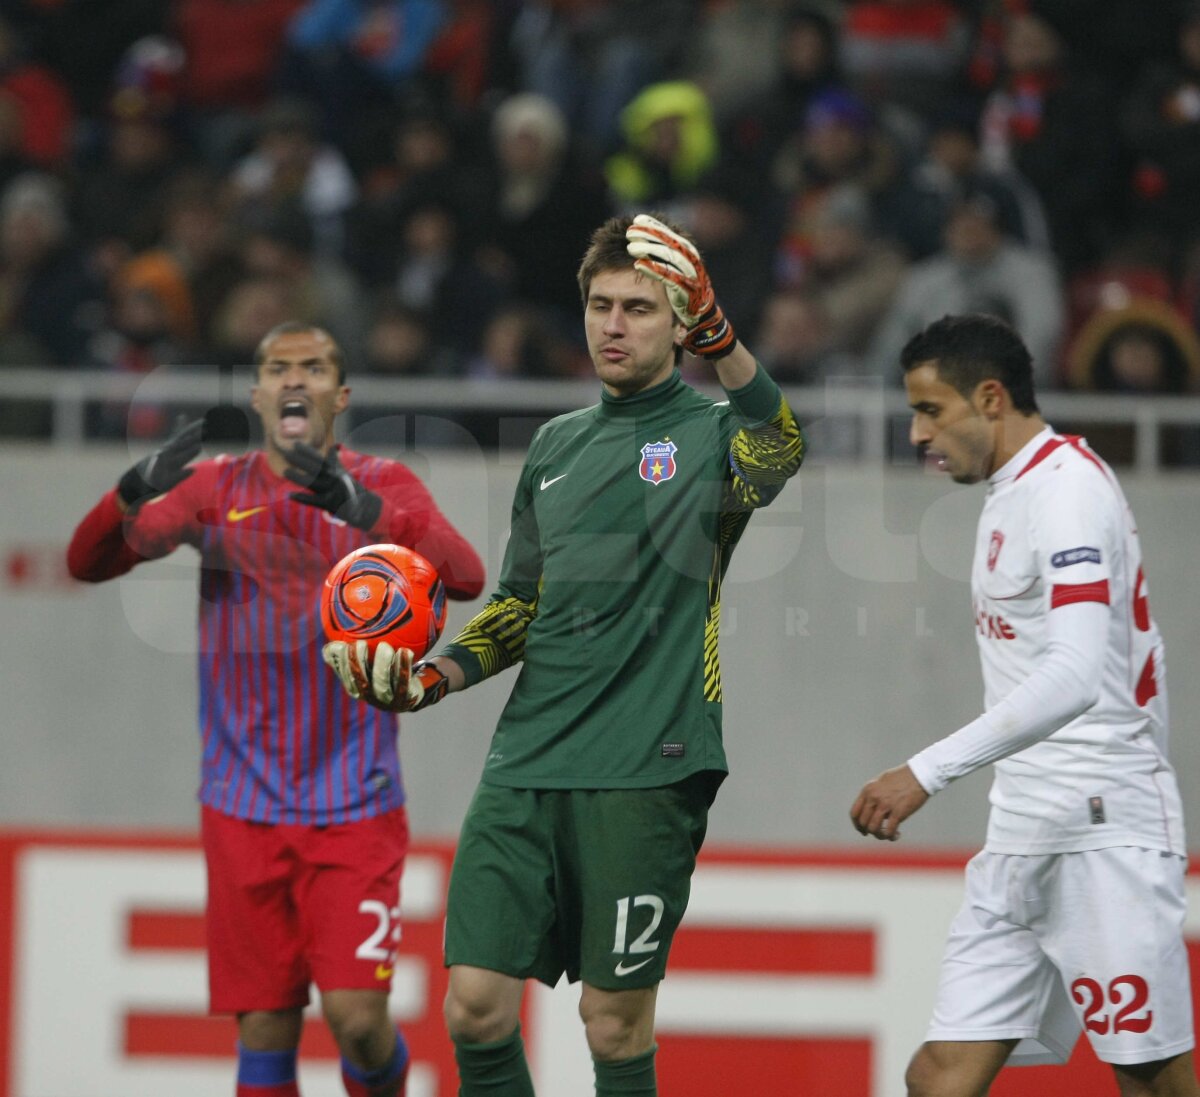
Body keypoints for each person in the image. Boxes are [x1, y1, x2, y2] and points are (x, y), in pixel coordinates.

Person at [323, 213, 805, 1095]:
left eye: (638, 308)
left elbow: (781, 447)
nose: (613, 325)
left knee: (613, 1023)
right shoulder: (555, 445)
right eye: (599, 305)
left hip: (648, 764)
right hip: (526, 760)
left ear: (680, 324)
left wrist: (724, 339)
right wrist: (432, 678)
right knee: (472, 1006)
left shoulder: (708, 433)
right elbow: (517, 605)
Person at [66, 322, 486, 1097]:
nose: (296, 379)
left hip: (354, 805)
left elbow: (466, 576)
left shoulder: (384, 482)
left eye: (315, 367)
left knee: (358, 1021)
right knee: (263, 1030)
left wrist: (368, 512)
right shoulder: (212, 490)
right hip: (241, 807)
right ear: (258, 394)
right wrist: (129, 491)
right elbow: (86, 562)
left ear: (340, 394)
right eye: (278, 368)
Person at [850, 313, 1198, 1097]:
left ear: (990, 397)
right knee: (939, 1074)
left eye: (930, 409)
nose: (917, 433)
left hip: (1101, 827)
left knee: (1151, 1077)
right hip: (1024, 828)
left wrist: (925, 771)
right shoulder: (1013, 491)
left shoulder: (1068, 491)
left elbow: (1076, 674)